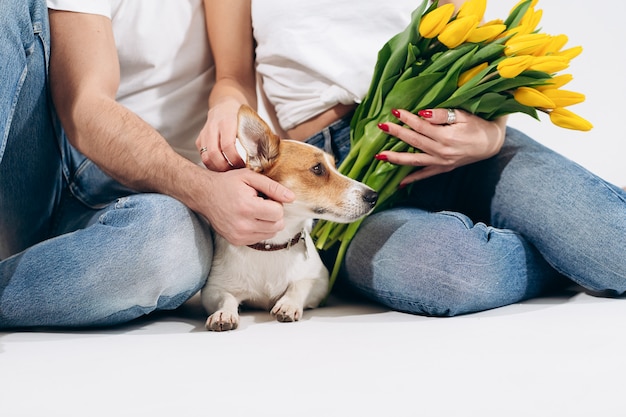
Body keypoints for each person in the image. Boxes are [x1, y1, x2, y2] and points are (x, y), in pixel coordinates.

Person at [200, 0, 626, 317]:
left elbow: (486, 56)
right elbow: (232, 78)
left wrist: (490, 135)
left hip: (458, 137)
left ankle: (566, 241)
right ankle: (557, 253)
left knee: (614, 251)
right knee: (448, 272)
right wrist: (223, 108)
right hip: (342, 173)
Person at [0, 0, 295, 329]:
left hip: (160, 202)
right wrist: (205, 190)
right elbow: (84, 108)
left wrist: (227, 105)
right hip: (57, 168)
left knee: (170, 245)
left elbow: (233, 77)